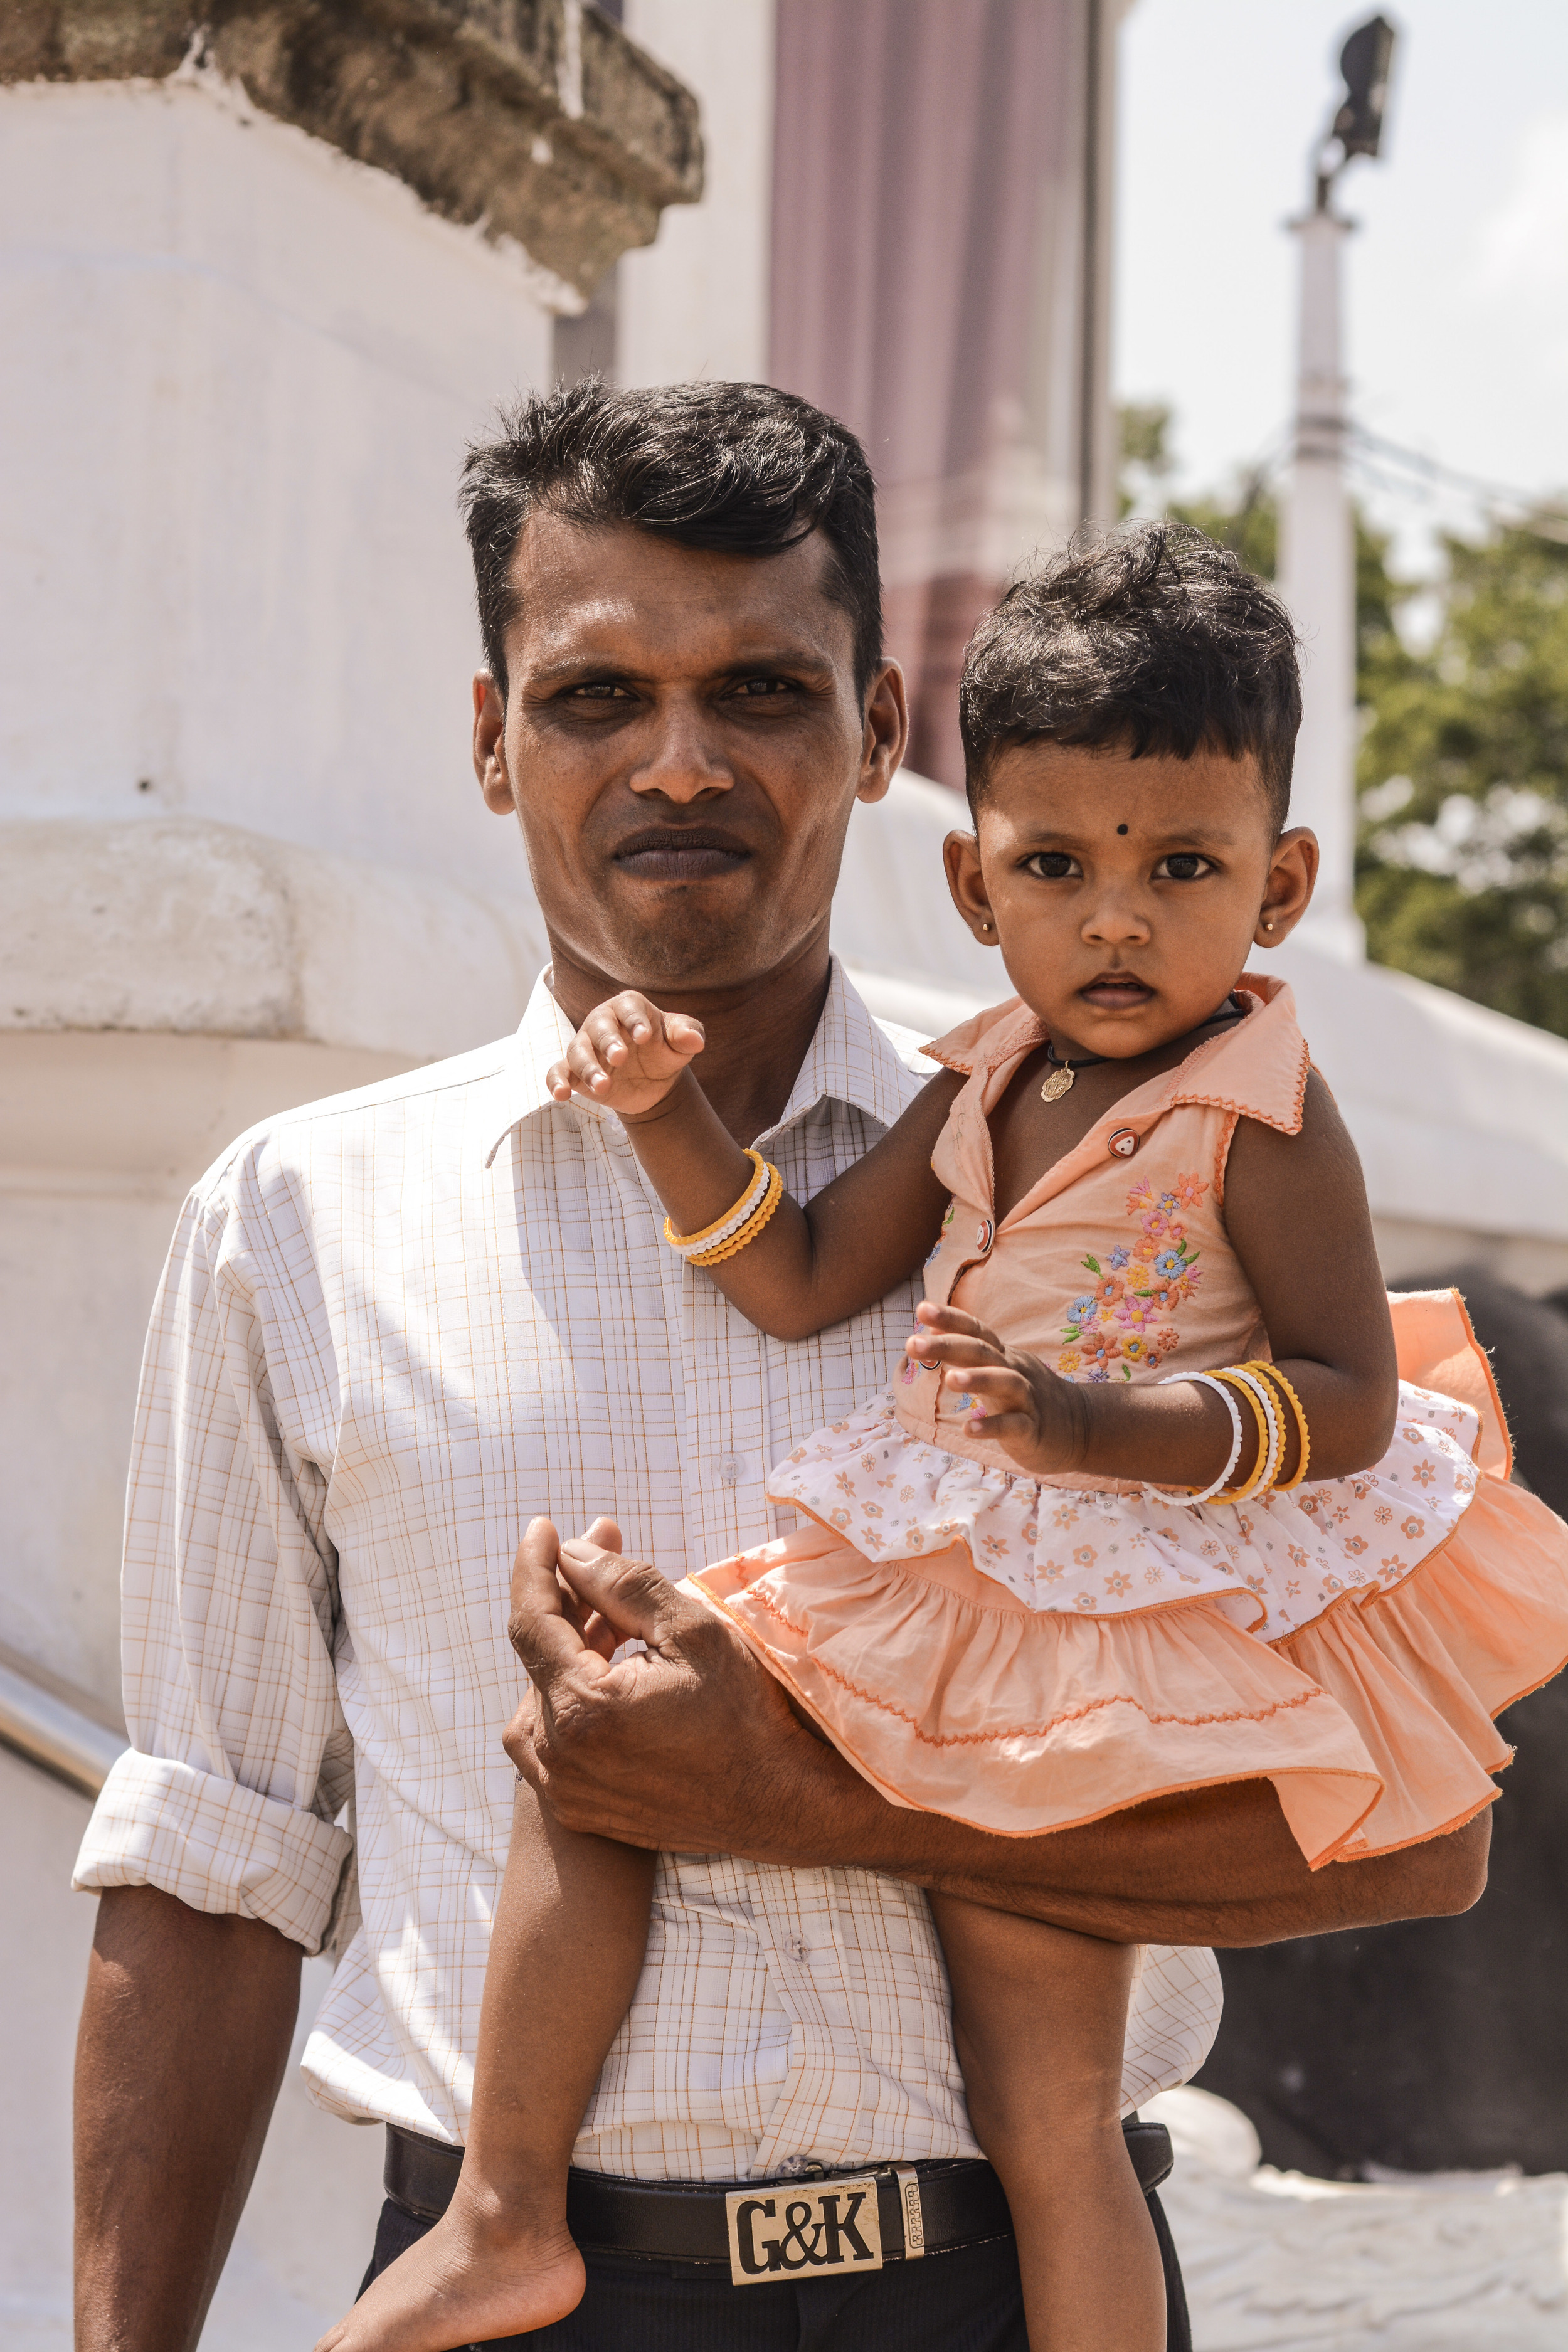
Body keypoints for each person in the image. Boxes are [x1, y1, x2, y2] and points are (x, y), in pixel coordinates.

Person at [75, 384, 1494, 2352]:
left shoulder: (1126, 1190)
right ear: (490, 742)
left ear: (881, 740)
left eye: (758, 690)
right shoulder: (296, 1226)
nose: (678, 762)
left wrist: (802, 1795)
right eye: (590, 699)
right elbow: (211, 1859)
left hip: (1012, 2287)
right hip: (520, 2303)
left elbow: (1415, 1837)